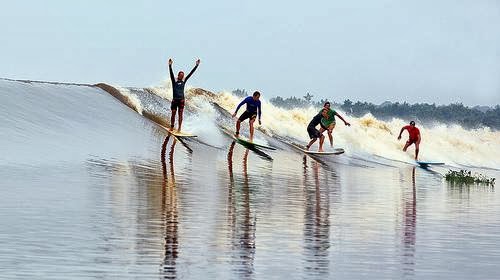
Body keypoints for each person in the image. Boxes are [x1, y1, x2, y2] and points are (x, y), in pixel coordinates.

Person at [168, 58, 200, 131]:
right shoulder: (174, 81)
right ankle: (172, 126)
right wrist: (170, 65)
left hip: (181, 100)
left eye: (183, 76)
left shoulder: (184, 81)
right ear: (178, 75)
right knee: (173, 113)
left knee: (180, 114)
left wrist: (196, 65)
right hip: (175, 100)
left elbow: (191, 73)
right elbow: (171, 73)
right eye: (181, 76)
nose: (182, 77)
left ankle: (179, 128)